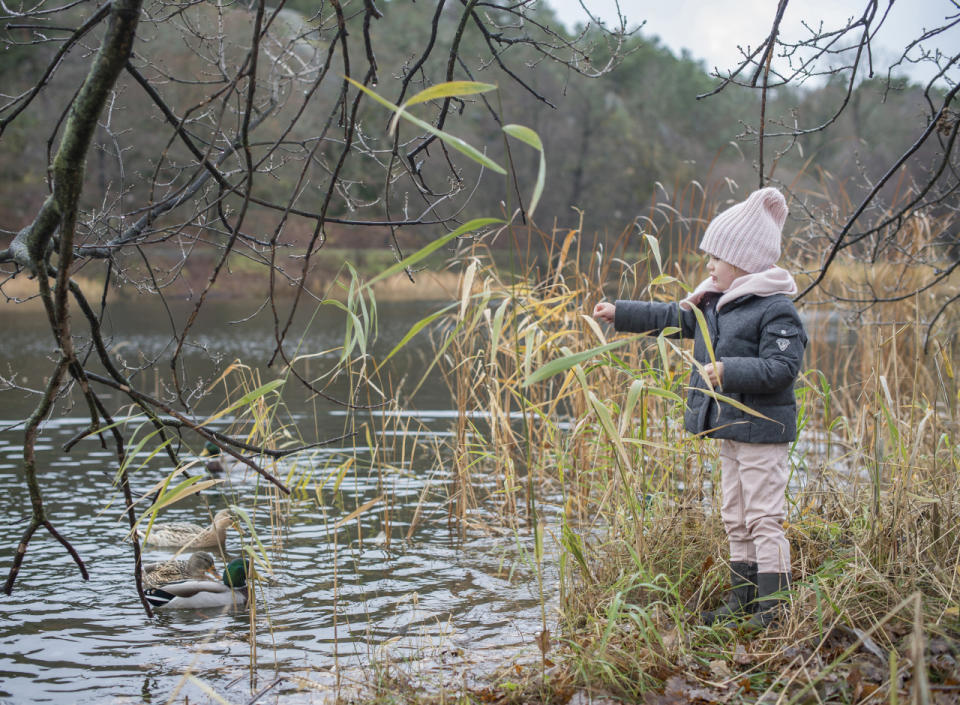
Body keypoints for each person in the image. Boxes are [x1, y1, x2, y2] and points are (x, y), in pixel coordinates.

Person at [593, 187, 807, 629]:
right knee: (735, 513)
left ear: (744, 261)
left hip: (763, 431)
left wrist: (729, 370)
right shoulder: (715, 302)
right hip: (731, 428)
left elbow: (782, 367)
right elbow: (675, 317)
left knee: (764, 517)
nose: (709, 266)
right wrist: (621, 313)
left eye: (716, 258)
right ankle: (741, 600)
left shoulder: (777, 308)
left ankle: (773, 610)